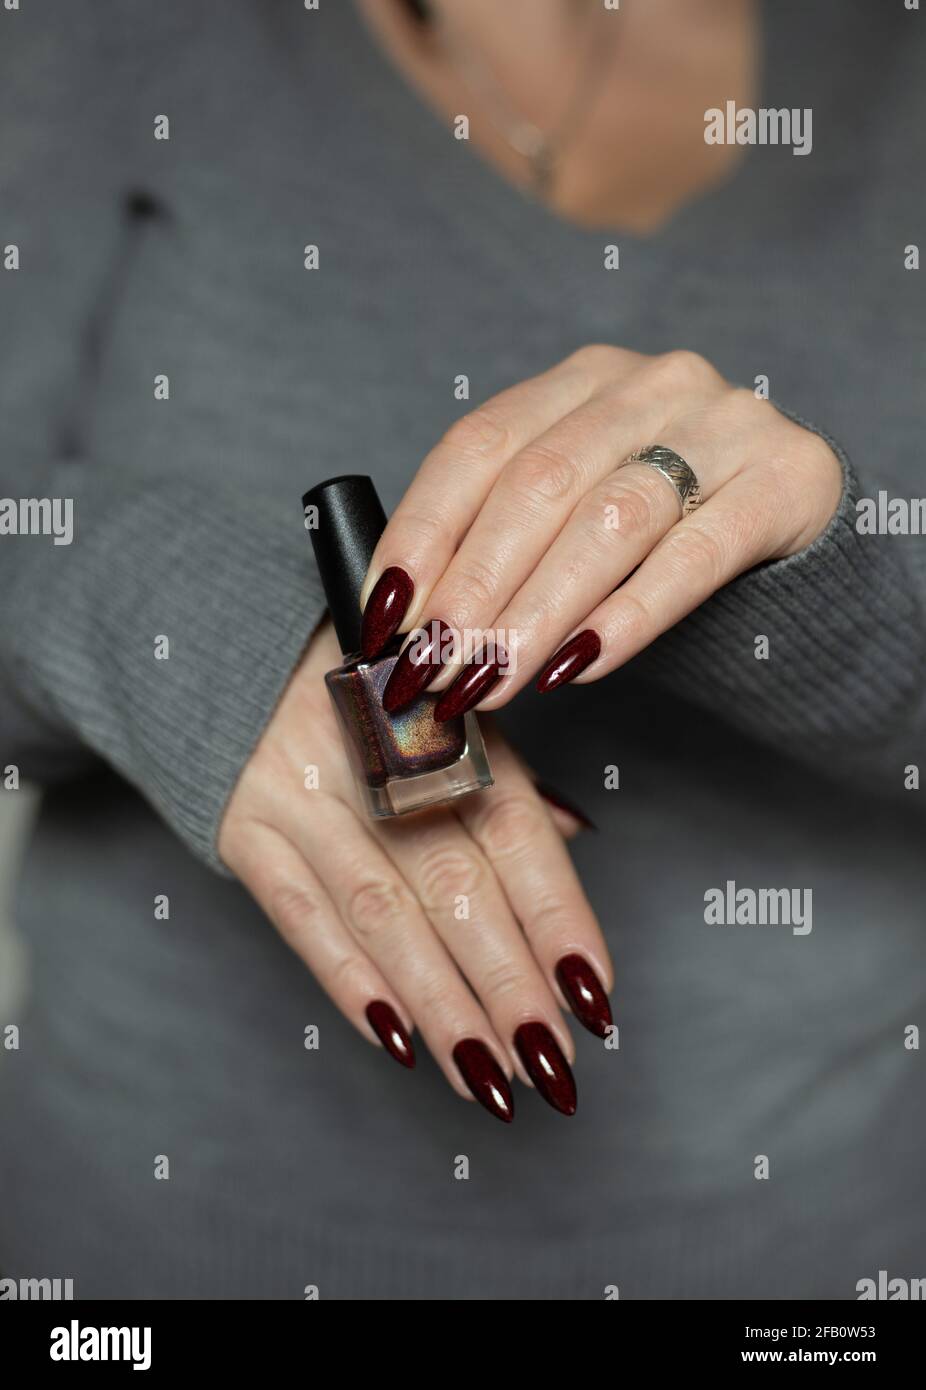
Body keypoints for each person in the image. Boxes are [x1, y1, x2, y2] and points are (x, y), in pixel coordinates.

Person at [0, 0, 922, 1299]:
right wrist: (173, 611)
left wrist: (819, 565)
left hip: (815, 1259)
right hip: (157, 1252)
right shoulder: (119, 34)